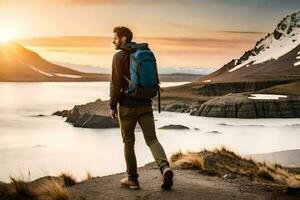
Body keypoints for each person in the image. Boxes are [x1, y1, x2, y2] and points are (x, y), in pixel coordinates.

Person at [109, 26, 173, 190]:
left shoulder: (119, 56)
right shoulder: (145, 52)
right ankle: (165, 168)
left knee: (128, 142)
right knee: (152, 139)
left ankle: (132, 179)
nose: (113, 41)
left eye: (115, 38)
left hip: (127, 106)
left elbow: (115, 84)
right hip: (145, 104)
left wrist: (112, 106)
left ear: (123, 39)